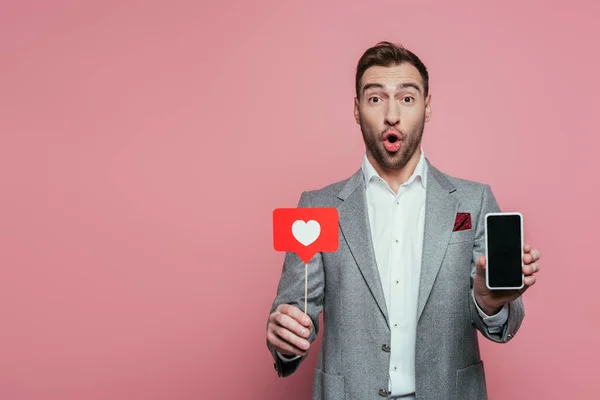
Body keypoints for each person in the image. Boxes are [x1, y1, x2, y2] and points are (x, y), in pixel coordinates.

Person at [266, 41, 541, 400]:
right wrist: (286, 335)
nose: (392, 114)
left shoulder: (474, 202)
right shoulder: (317, 209)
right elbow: (294, 313)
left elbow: (504, 319)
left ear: (427, 107)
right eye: (376, 98)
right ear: (356, 108)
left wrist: (489, 302)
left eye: (407, 99)